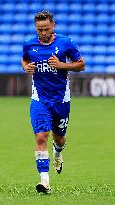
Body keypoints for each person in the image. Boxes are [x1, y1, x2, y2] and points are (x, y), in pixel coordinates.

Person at [21, 11, 85, 194]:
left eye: (46, 29)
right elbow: (25, 59)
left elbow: (81, 65)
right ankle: (44, 181)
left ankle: (57, 153)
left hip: (61, 99)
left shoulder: (65, 42)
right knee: (41, 137)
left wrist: (62, 65)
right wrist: (26, 67)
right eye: (39, 29)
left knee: (59, 138)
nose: (43, 32)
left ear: (53, 26)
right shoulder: (29, 44)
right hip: (40, 98)